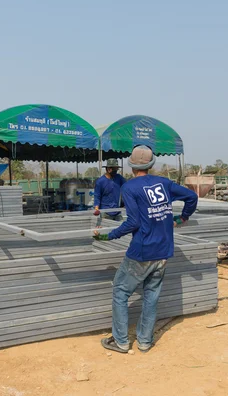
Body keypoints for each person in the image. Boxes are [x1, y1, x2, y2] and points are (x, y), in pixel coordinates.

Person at [94, 145, 198, 353]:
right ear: (151, 165)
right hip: (164, 251)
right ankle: (144, 341)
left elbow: (132, 222)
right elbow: (192, 197)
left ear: (132, 165)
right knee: (151, 295)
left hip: (142, 252)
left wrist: (107, 235)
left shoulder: (130, 188)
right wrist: (183, 217)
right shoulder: (164, 183)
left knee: (121, 292)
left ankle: (121, 341)